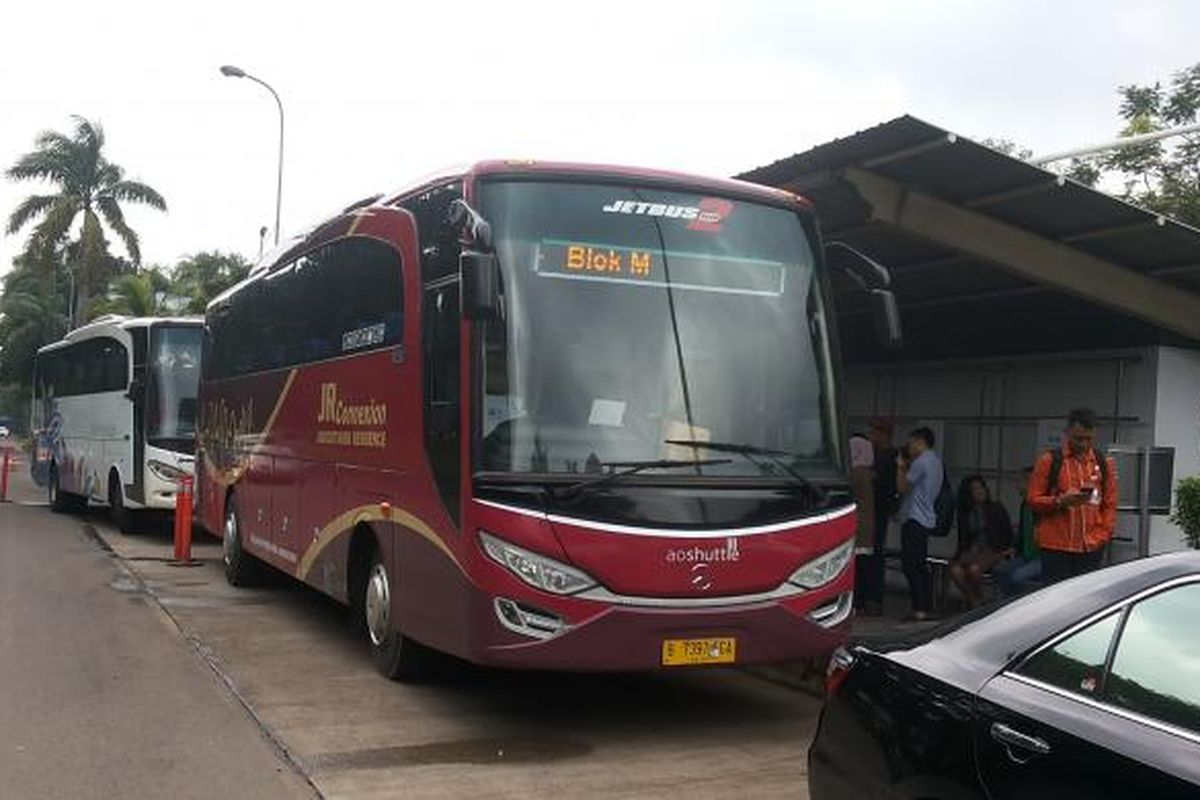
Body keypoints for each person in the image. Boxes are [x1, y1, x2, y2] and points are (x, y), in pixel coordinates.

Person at [1027, 407, 1118, 583]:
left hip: (1091, 545)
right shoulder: (1049, 461)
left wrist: (1104, 534)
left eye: (1088, 439)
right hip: (1056, 546)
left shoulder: (1103, 463)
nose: (1083, 444)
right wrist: (1060, 501)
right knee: (1057, 599)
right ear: (1067, 433)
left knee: (1085, 599)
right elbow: (1032, 500)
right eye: (1078, 439)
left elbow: (1110, 503)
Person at [896, 426, 943, 621]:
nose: (909, 446)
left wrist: (900, 467)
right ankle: (925, 606)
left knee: (911, 565)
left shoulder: (921, 462)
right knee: (919, 564)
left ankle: (920, 609)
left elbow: (902, 487)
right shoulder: (936, 461)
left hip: (914, 518)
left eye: (911, 442)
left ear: (919, 441)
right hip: (926, 517)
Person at [948, 475, 1013, 609]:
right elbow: (963, 539)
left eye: (981, 487)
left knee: (974, 570)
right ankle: (973, 599)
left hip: (992, 549)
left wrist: (1007, 550)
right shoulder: (965, 513)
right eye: (975, 489)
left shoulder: (996, 508)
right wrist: (960, 555)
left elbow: (1007, 532)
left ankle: (977, 600)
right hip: (972, 549)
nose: (980, 491)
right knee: (955, 571)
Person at [859, 418, 897, 617]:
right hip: (876, 512)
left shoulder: (886, 457)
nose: (872, 437)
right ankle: (869, 599)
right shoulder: (883, 456)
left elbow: (876, 482)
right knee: (871, 555)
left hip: (876, 512)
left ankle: (871, 599)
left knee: (872, 556)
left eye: (874, 432)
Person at [994, 466, 1042, 596]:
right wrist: (1014, 549)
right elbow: (1023, 533)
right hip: (1026, 555)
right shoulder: (1025, 505)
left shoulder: (1039, 506)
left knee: (1017, 578)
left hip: (1040, 557)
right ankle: (1006, 602)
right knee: (1000, 570)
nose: (1017, 485)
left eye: (1019, 481)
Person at [848, 433, 877, 613]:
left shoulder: (856, 472)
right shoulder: (870, 472)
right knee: (864, 565)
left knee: (856, 567)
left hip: (857, 523)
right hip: (868, 522)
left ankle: (857, 603)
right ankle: (863, 602)